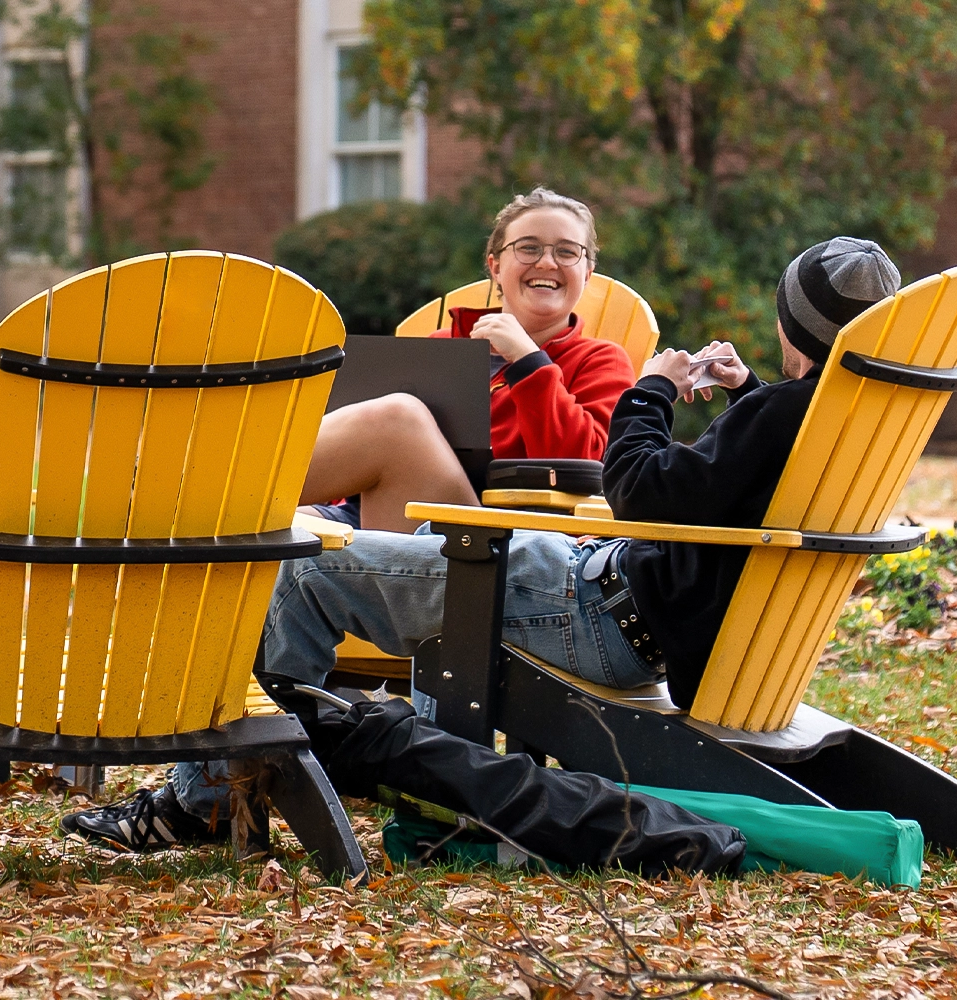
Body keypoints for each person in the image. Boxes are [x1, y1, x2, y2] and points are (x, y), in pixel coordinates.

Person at [63, 236, 904, 853]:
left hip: (593, 613)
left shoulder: (777, 413)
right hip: (589, 587)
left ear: (793, 322)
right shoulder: (831, 418)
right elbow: (750, 471)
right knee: (369, 543)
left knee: (298, 575)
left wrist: (653, 390)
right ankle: (230, 780)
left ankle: (203, 802)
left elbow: (637, 487)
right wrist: (746, 391)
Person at [306, 188, 636, 532]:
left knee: (399, 418)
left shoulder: (601, 361)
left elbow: (587, 470)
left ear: (587, 273)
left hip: (487, 537)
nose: (547, 262)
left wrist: (529, 362)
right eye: (528, 248)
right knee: (265, 532)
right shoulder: (440, 347)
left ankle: (248, 487)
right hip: (369, 511)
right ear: (495, 265)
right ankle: (248, 497)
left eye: (567, 252)